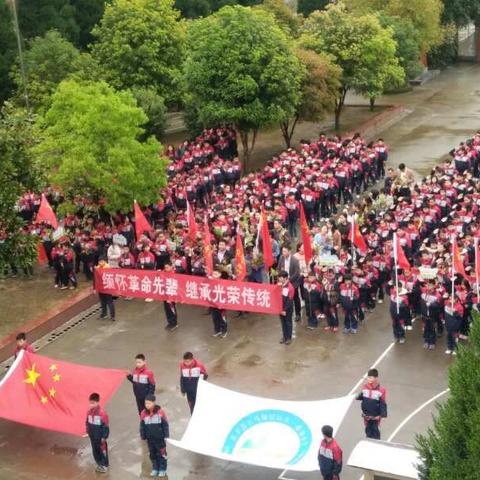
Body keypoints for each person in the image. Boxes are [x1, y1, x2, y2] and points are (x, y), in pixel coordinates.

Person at [140, 394, 170, 478]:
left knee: (162, 454)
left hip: (159, 439)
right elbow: (142, 426)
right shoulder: (143, 413)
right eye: (146, 403)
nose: (147, 405)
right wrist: (143, 435)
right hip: (150, 439)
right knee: (152, 454)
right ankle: (155, 468)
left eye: (149, 403)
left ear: (154, 403)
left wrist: (166, 435)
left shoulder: (160, 412)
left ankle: (162, 469)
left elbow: (165, 424)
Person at [356, 368, 387, 439]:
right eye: (368, 377)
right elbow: (363, 397)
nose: (368, 379)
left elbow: (383, 403)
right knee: (368, 432)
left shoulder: (381, 390)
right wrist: (357, 397)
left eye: (370, 377)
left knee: (375, 433)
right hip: (366, 416)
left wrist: (381, 415)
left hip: (375, 417)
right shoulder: (364, 387)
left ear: (376, 378)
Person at [86, 392, 109, 474]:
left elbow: (105, 427)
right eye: (90, 403)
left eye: (93, 403)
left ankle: (104, 465)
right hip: (93, 437)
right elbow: (87, 423)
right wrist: (88, 432)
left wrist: (104, 437)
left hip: (100, 438)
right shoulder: (88, 413)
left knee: (102, 451)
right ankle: (99, 464)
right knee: (95, 451)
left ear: (97, 402)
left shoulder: (102, 414)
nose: (91, 405)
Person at [278, 270, 295, 345]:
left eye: (281, 277)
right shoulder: (279, 285)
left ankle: (289, 338)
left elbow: (289, 300)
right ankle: (284, 336)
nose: (279, 279)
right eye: (279, 277)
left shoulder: (290, 287)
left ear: (285, 278)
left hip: (287, 308)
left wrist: (285, 310)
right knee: (283, 323)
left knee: (288, 322)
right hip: (280, 308)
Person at [163, 262, 178, 331]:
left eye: (167, 267)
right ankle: (170, 322)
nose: (166, 269)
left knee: (172, 309)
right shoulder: (164, 273)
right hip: (165, 294)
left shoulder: (174, 274)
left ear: (171, 267)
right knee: (167, 309)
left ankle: (174, 323)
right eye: (165, 267)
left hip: (171, 295)